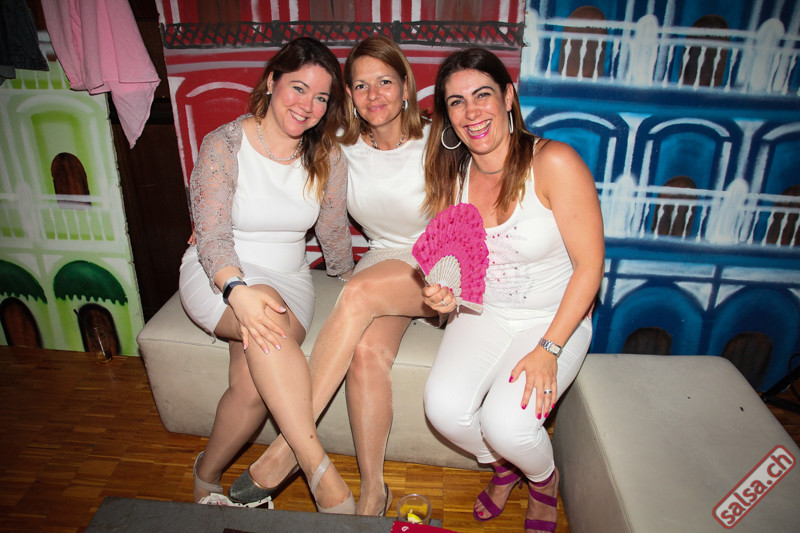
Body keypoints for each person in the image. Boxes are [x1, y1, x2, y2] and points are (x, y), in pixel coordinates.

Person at [225, 36, 435, 516]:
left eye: (385, 81)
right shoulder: (341, 146)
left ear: (406, 86)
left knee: (357, 292)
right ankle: (374, 491)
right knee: (365, 354)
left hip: (437, 261)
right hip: (382, 261)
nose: (374, 94)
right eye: (360, 85)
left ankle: (287, 451)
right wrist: (211, 223)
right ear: (350, 96)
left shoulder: (438, 137)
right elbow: (269, 169)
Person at [420, 47, 604, 533]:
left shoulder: (554, 162)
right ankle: (506, 467)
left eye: (482, 95)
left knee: (506, 423)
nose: (471, 112)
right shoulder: (452, 172)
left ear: (508, 97)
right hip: (484, 312)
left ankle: (544, 480)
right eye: (456, 102)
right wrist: (444, 294)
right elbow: (461, 261)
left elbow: (590, 267)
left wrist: (549, 348)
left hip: (554, 317)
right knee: (443, 409)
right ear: (447, 116)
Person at [179, 37, 356, 514]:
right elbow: (212, 235)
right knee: (267, 321)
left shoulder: (328, 157)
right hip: (218, 273)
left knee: (253, 387)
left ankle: (205, 473)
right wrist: (236, 290)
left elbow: (333, 232)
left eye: (321, 98)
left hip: (289, 279)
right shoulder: (224, 144)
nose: (308, 106)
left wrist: (350, 280)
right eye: (298, 88)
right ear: (272, 81)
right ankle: (318, 469)